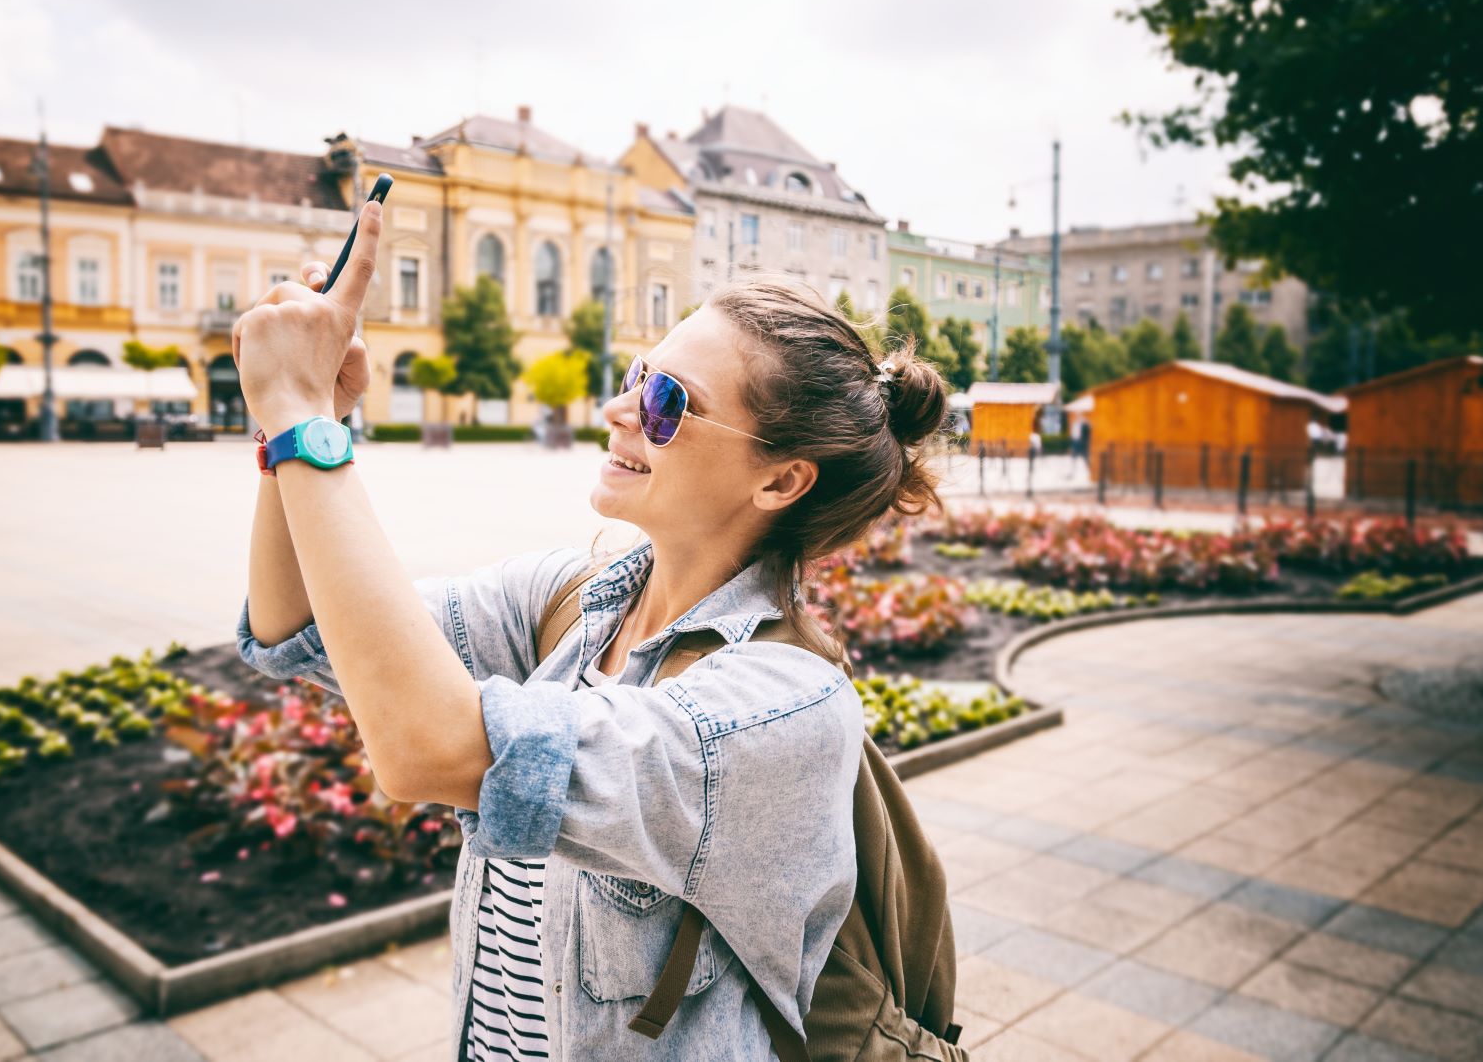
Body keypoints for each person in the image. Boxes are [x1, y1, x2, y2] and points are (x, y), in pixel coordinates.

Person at [231, 201, 949, 1062]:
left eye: (667, 400)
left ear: (781, 481)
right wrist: (301, 422)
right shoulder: (566, 605)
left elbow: (428, 749)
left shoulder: (780, 711)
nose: (618, 408)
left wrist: (305, 421)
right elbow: (300, 625)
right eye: (636, 373)